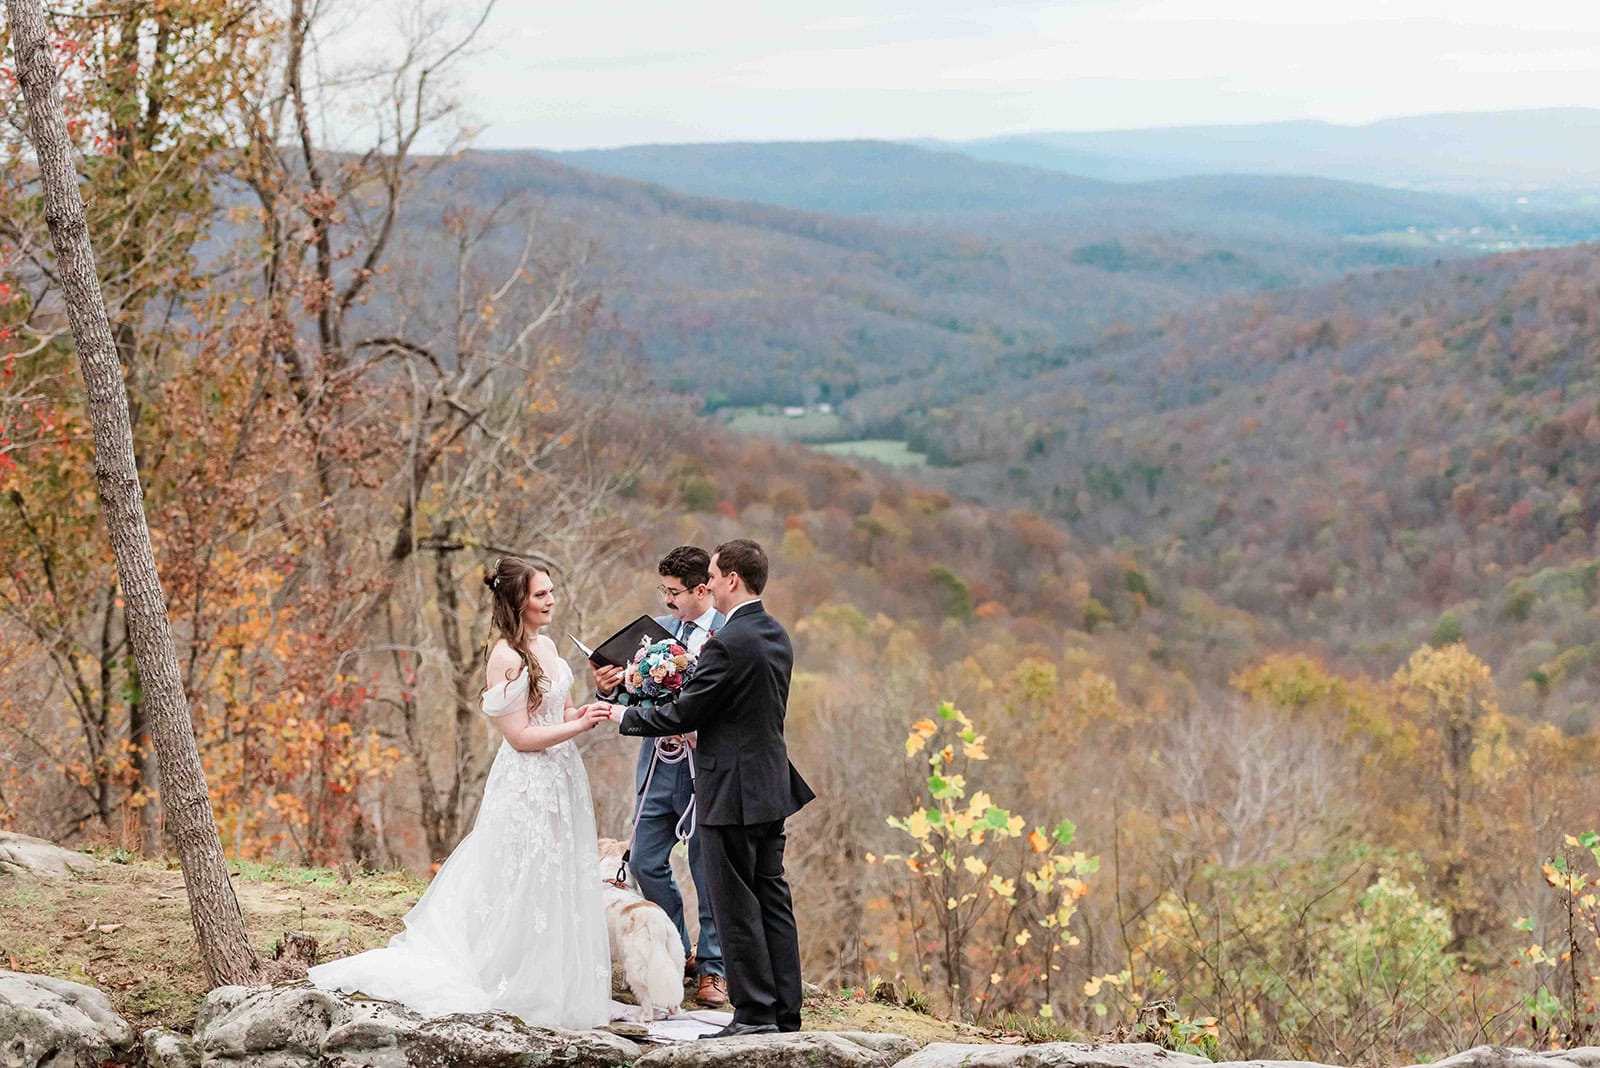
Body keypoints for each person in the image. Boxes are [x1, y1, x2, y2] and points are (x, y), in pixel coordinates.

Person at [309, 557, 614, 1027]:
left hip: (563, 779)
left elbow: (561, 712)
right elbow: (521, 738)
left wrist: (589, 711)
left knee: (555, 873)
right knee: (521, 873)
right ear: (517, 601)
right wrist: (574, 731)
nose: (551, 600)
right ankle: (506, 973)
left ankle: (552, 980)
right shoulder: (506, 657)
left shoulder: (549, 646)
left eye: (551, 591)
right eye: (540, 594)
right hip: (528, 781)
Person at [586, 538, 815, 1038]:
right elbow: (743, 711)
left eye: (712, 575)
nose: (707, 583)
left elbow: (685, 712)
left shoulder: (729, 642)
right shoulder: (774, 633)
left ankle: (753, 1013)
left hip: (729, 789)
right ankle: (784, 1012)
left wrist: (624, 712)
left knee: (734, 900)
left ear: (732, 579)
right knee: (772, 898)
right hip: (770, 785)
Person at [591, 545, 728, 1008]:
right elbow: (635, 699)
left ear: (702, 589)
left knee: (707, 868)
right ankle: (677, 948)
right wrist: (608, 686)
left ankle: (714, 968)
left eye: (674, 593)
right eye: (663, 591)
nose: (667, 601)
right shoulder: (657, 634)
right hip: (656, 766)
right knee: (647, 861)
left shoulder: (730, 635)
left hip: (704, 771)